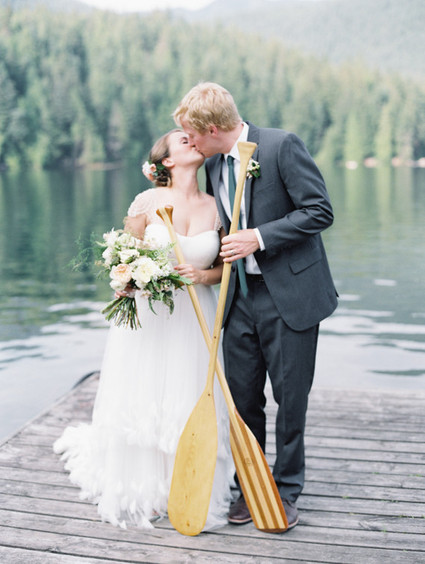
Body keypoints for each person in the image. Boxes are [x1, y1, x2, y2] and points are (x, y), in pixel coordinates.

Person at [173, 82, 338, 530]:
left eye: (192, 134)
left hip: (291, 297)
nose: (190, 142)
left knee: (290, 401)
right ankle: (250, 488)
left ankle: (285, 491)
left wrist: (259, 237)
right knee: (243, 400)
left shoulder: (281, 146)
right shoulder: (214, 165)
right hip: (239, 298)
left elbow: (319, 211)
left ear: (212, 129)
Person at [54, 129, 233, 530]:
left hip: (197, 316)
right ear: (166, 160)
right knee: (147, 392)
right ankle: (145, 487)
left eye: (193, 137)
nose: (192, 139)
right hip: (151, 316)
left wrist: (202, 276)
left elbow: (224, 269)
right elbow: (123, 258)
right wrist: (128, 281)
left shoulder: (215, 205)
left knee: (189, 393)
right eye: (182, 139)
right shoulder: (147, 202)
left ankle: (189, 483)